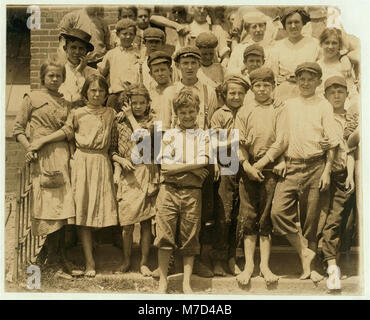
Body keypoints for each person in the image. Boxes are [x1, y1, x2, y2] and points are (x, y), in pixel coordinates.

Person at [28, 74, 118, 277]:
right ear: (86, 93)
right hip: (82, 163)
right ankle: (89, 262)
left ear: (106, 94)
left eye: (101, 91)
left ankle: (93, 250)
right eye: (92, 90)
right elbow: (66, 131)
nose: (97, 94)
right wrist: (42, 142)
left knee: (100, 211)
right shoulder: (78, 113)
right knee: (83, 212)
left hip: (102, 163)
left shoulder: (112, 113)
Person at [270, 62, 339, 283]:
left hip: (315, 166)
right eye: (302, 78)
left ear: (318, 82)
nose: (306, 83)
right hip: (291, 166)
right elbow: (279, 138)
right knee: (278, 213)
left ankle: (310, 267)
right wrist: (280, 159)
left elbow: (332, 143)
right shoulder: (288, 105)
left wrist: (327, 171)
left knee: (312, 221)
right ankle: (304, 252)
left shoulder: (324, 105)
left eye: (311, 79)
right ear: (296, 81)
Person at [160, 46, 218, 277]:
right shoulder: (169, 92)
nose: (190, 67)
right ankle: (169, 260)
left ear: (199, 65)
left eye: (194, 62)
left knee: (200, 212)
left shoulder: (208, 90)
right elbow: (164, 128)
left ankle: (197, 260)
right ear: (178, 66)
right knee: (170, 211)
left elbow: (211, 127)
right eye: (185, 63)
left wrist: (208, 163)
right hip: (175, 154)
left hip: (200, 152)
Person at [13, 59, 75, 274]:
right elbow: (17, 129)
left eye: (58, 75)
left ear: (63, 78)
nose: (55, 79)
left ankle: (54, 257)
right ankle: (50, 257)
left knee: (63, 206)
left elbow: (69, 130)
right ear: (43, 77)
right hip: (43, 158)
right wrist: (31, 146)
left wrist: (44, 140)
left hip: (62, 156)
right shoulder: (32, 98)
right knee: (48, 206)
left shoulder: (66, 104)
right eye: (51, 75)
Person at [234, 67, 287, 286]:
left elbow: (281, 140)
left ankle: (264, 265)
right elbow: (239, 141)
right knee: (249, 218)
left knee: (265, 219)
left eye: (266, 85)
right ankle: (249, 266)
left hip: (269, 169)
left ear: (273, 87)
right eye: (257, 85)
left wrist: (262, 164)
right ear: (252, 88)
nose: (262, 89)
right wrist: (246, 165)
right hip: (248, 170)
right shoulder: (245, 111)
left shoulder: (279, 109)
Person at [155, 88, 209, 293]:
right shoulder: (170, 135)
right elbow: (165, 168)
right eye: (183, 112)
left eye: (191, 112)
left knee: (190, 237)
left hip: (192, 193)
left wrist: (189, 167)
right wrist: (193, 169)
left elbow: (204, 161)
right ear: (176, 113)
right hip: (168, 191)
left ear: (197, 112)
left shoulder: (203, 135)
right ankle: (163, 280)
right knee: (164, 236)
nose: (187, 116)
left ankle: (186, 282)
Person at [112, 84, 158, 276]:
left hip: (146, 172)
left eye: (142, 103)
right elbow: (111, 150)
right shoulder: (119, 123)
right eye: (134, 103)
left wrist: (130, 117)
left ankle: (144, 262)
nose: (138, 106)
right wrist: (120, 160)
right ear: (128, 103)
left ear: (148, 104)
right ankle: (126, 260)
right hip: (127, 175)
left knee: (146, 222)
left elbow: (145, 140)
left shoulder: (153, 122)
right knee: (127, 223)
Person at [210, 74, 250, 276]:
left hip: (245, 164)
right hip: (225, 162)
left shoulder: (249, 111)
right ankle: (218, 260)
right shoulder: (219, 114)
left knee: (239, 213)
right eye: (232, 93)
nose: (235, 96)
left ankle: (233, 258)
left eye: (240, 93)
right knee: (223, 213)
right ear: (225, 95)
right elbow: (213, 141)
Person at [320, 76, 356, 290]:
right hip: (322, 173)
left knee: (342, 220)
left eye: (340, 92)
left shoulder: (352, 118)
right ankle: (329, 266)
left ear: (346, 94)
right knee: (323, 219)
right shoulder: (321, 115)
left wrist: (349, 174)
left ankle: (334, 263)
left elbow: (350, 150)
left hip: (343, 172)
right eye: (332, 92)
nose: (336, 95)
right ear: (325, 95)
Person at [269, 7, 320, 101]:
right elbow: (273, 75)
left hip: (309, 91)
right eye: (289, 23)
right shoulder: (277, 47)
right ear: (284, 25)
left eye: (296, 22)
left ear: (302, 23)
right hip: (285, 92)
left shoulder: (314, 44)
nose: (293, 26)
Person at [98, 18, 140, 112]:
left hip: (133, 96)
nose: (128, 37)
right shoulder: (111, 54)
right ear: (117, 34)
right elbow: (101, 75)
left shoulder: (138, 54)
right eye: (124, 34)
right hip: (114, 96)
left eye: (131, 34)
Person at [317, 28, 358, 105]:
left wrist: (353, 107)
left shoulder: (345, 65)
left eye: (334, 43)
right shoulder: (318, 65)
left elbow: (352, 91)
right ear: (321, 44)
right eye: (327, 43)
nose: (330, 46)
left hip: (343, 107)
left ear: (339, 45)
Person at [58, 29, 98, 108]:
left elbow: (91, 97)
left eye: (81, 49)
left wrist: (79, 73)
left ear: (86, 52)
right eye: (73, 47)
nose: (77, 52)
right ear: (65, 48)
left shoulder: (93, 73)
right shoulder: (59, 71)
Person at [146, 51, 173, 120]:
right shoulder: (150, 94)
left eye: (163, 70)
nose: (160, 74)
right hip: (157, 128)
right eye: (156, 71)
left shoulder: (177, 91)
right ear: (151, 74)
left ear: (170, 71)